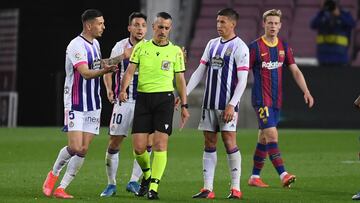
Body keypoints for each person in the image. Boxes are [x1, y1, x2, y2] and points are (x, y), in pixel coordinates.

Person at [42, 9, 118, 199]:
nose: (103, 26)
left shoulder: (96, 43)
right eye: (100, 23)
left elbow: (99, 64)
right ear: (88, 25)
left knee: (83, 149)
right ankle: (53, 174)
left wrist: (122, 57)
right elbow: (85, 72)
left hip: (93, 102)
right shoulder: (75, 45)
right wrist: (104, 71)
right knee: (75, 147)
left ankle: (62, 188)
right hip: (75, 102)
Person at [119, 11, 189, 200]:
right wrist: (123, 90)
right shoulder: (141, 48)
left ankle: (154, 188)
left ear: (170, 29)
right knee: (139, 148)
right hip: (143, 99)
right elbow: (129, 71)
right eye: (160, 27)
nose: (163, 31)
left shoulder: (175, 51)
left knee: (160, 144)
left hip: (164, 100)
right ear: (153, 27)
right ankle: (147, 177)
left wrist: (185, 104)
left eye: (166, 28)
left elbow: (180, 79)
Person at [247, 9, 314, 188]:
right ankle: (283, 174)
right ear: (263, 24)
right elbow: (243, 72)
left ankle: (254, 177)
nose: (273, 26)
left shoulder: (283, 46)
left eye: (276, 23)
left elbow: (295, 70)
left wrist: (306, 91)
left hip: (276, 100)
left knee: (263, 137)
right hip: (261, 99)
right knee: (272, 134)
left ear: (280, 26)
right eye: (270, 22)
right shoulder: (254, 47)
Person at [186, 8, 249, 199]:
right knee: (209, 142)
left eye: (223, 22)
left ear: (233, 24)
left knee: (229, 141)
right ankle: (207, 188)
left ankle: (236, 188)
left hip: (227, 105)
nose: (218, 25)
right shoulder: (212, 44)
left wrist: (232, 104)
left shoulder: (240, 47)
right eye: (217, 22)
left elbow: (243, 79)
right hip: (209, 103)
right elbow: (199, 70)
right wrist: (185, 93)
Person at [99, 12, 153, 197]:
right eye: (136, 25)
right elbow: (105, 67)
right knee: (114, 142)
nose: (140, 29)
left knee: (145, 145)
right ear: (129, 28)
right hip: (124, 101)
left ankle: (133, 181)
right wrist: (108, 88)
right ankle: (111, 184)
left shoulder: (151, 47)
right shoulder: (120, 46)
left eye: (143, 25)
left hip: (145, 102)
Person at [310, 0, 355, 66]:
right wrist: (321, 12)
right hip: (323, 56)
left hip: (339, 56)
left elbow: (352, 24)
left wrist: (339, 15)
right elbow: (312, 25)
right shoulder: (321, 14)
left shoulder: (344, 14)